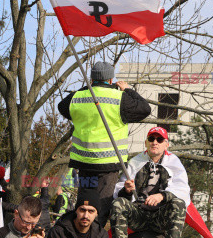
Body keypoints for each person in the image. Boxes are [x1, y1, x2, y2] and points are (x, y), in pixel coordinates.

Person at [58, 61, 151, 226]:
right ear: (110, 80)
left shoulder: (78, 97)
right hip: (108, 164)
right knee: (100, 210)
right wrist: (128, 89)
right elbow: (144, 109)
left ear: (92, 79)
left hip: (84, 164)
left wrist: (87, 89)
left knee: (84, 208)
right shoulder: (119, 97)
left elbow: (62, 106)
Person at [110, 127, 190, 238]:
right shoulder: (135, 162)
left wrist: (162, 196)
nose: (155, 143)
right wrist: (127, 191)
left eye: (159, 140)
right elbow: (119, 192)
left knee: (178, 203)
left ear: (166, 144)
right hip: (138, 214)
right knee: (118, 203)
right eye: (151, 139)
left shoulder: (174, 162)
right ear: (146, 143)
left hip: (160, 216)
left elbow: (182, 190)